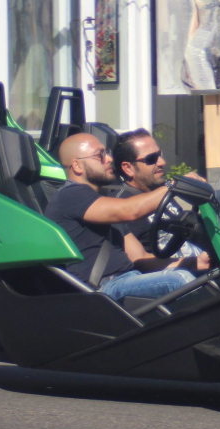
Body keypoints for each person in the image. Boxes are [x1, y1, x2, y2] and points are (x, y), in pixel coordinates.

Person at [45, 132, 205, 304]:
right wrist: (177, 185)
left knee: (206, 278)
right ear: (77, 166)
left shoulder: (101, 203)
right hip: (103, 289)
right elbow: (130, 210)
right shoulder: (70, 195)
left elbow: (140, 259)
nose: (108, 159)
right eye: (100, 155)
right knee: (181, 280)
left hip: (129, 279)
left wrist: (193, 262)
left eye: (107, 152)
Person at [109, 128, 207, 260]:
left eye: (159, 154)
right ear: (128, 168)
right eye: (152, 159)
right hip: (176, 273)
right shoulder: (121, 204)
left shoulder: (160, 189)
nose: (161, 162)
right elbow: (137, 260)